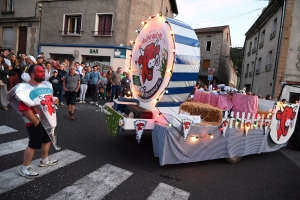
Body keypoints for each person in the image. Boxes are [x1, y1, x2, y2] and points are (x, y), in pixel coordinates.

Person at [16, 65, 58, 178]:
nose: (43, 73)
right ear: (33, 74)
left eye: (43, 71)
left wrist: (54, 100)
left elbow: (49, 100)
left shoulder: (46, 85)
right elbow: (24, 108)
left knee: (47, 140)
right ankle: (24, 168)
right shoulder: (25, 88)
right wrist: (36, 122)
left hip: (47, 119)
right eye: (40, 72)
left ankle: (44, 160)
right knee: (33, 145)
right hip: (36, 122)